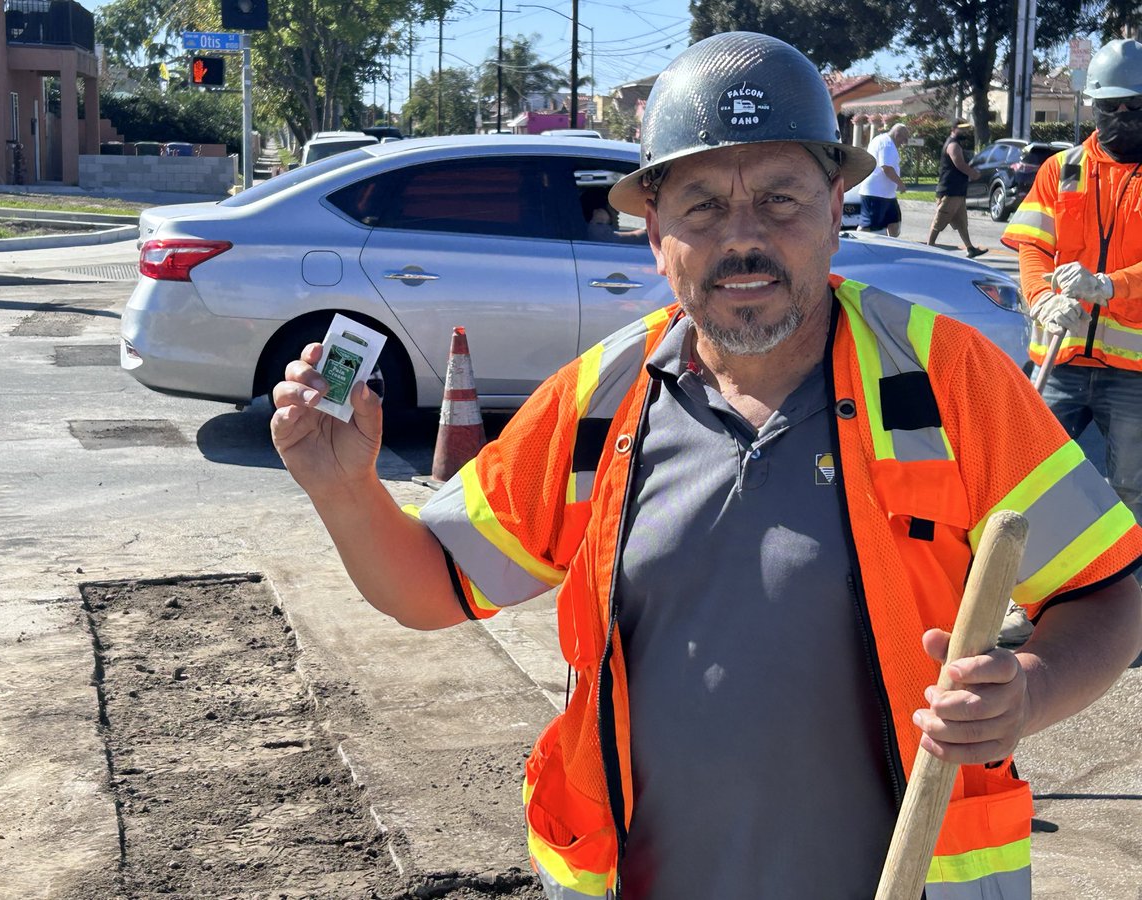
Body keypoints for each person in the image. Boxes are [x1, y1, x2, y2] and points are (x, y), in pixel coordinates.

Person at [272, 32, 1142, 900]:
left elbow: (1106, 590)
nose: (743, 241)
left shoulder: (947, 380)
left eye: (780, 200)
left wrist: (1029, 689)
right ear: (654, 235)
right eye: (701, 209)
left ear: (838, 206)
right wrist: (345, 488)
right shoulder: (599, 400)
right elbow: (433, 587)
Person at [1002, 38, 1142, 656]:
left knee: (1131, 490)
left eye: (1136, 107)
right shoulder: (1063, 170)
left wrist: (1110, 287)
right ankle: (1028, 603)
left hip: (1133, 372)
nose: (1124, 119)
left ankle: (1126, 616)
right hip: (1057, 360)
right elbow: (1033, 247)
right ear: (1093, 107)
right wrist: (1038, 299)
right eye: (1112, 107)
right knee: (1029, 482)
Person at [927, 120, 988, 257]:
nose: (965, 132)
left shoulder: (957, 144)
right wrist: (973, 173)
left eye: (966, 129)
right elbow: (959, 164)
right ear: (954, 129)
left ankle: (970, 248)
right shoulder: (953, 144)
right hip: (950, 190)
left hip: (958, 191)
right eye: (962, 129)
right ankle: (929, 247)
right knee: (940, 220)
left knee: (961, 222)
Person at [857, 122, 910, 236]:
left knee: (894, 223)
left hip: (887, 195)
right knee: (868, 226)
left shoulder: (881, 139)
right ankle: (856, 244)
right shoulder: (887, 145)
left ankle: (891, 246)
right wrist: (901, 184)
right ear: (897, 134)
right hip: (875, 193)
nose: (903, 143)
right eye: (904, 139)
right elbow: (887, 168)